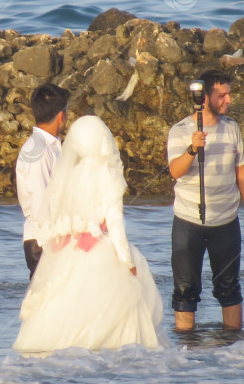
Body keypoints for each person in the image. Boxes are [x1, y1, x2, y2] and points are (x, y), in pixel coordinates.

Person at [13, 115, 165, 353]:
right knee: (114, 317)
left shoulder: (70, 173)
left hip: (68, 250)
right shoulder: (107, 174)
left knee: (68, 308)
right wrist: (126, 260)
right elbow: (114, 221)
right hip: (99, 249)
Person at [167, 69, 244, 331]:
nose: (229, 99)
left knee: (229, 287)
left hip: (226, 221)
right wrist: (192, 148)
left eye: (229, 94)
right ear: (204, 98)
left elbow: (242, 169)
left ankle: (232, 345)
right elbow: (175, 171)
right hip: (187, 221)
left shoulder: (232, 128)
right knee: (185, 290)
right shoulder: (181, 130)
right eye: (222, 95)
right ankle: (186, 348)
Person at [15, 82, 69, 279]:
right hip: (43, 242)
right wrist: (52, 249)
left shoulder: (51, 146)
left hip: (53, 238)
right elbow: (39, 203)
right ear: (62, 115)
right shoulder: (38, 150)